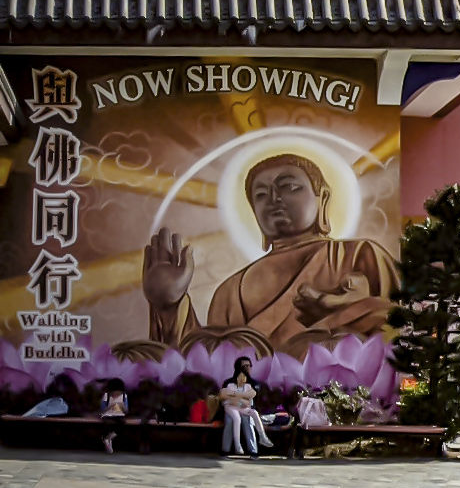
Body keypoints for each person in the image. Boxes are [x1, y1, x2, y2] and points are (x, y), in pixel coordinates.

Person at [140, 152, 399, 356]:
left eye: (289, 187)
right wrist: (169, 306)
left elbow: (400, 331)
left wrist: (341, 317)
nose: (274, 198)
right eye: (261, 194)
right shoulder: (230, 291)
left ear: (322, 198)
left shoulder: (358, 256)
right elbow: (208, 366)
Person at [219, 358, 263, 457]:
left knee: (248, 421)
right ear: (238, 367)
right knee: (230, 420)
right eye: (244, 366)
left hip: (247, 409)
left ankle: (253, 451)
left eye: (249, 366)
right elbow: (225, 397)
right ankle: (225, 450)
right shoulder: (228, 382)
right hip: (232, 408)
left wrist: (236, 396)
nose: (247, 368)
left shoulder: (254, 383)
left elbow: (251, 400)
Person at [98, 380, 129, 453]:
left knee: (122, 423)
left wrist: (123, 406)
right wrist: (110, 406)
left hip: (118, 415)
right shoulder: (106, 396)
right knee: (107, 424)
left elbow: (126, 411)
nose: (117, 395)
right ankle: (107, 442)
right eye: (115, 393)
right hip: (107, 415)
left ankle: (109, 438)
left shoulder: (124, 396)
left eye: (119, 393)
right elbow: (102, 410)